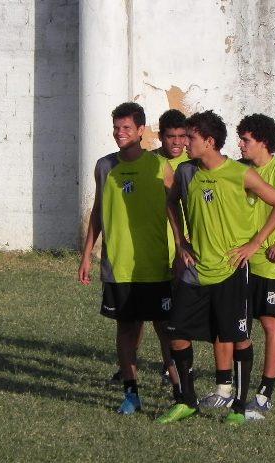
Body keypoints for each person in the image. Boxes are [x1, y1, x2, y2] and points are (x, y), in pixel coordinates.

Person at [157, 110, 275, 425]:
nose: (185, 143)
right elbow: (170, 202)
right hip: (195, 270)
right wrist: (180, 242)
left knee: (239, 337)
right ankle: (187, 401)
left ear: (209, 141)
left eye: (191, 137)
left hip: (230, 270)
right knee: (176, 331)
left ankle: (238, 408)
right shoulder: (187, 172)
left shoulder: (240, 174)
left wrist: (255, 244)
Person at [200, 114, 275, 419]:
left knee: (269, 325)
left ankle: (265, 394)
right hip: (238, 262)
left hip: (270, 266)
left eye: (246, 140)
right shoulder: (238, 170)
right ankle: (224, 389)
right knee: (229, 324)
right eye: (240, 138)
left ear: (263, 143)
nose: (240, 145)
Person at [78, 102, 178, 415]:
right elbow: (97, 211)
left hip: (156, 265)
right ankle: (131, 394)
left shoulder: (160, 167)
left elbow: (175, 211)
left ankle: (180, 392)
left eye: (126, 128)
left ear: (141, 131)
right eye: (116, 128)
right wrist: (87, 255)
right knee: (126, 330)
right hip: (118, 266)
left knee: (167, 330)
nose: (120, 134)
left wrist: (183, 249)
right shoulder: (104, 166)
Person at [109, 109, 187, 394]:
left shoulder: (193, 165)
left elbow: (184, 207)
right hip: (144, 253)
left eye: (182, 136)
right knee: (134, 319)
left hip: (176, 254)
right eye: (170, 136)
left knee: (168, 320)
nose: (177, 142)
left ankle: (177, 373)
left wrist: (184, 243)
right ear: (159, 135)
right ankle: (130, 365)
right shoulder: (152, 161)